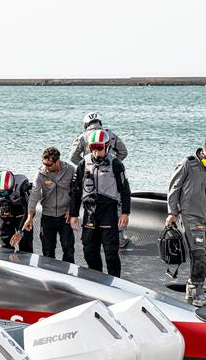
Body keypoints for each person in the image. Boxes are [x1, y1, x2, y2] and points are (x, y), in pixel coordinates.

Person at [166, 135, 206, 306]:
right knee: (199, 256)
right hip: (191, 218)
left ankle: (192, 287)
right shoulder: (188, 163)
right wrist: (172, 212)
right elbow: (174, 188)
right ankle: (197, 294)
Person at [69, 130, 131, 277]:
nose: (96, 151)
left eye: (99, 147)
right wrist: (73, 214)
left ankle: (115, 282)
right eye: (92, 147)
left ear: (107, 146)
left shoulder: (116, 163)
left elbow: (125, 190)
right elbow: (76, 191)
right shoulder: (83, 163)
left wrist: (125, 213)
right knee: (89, 251)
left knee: (111, 253)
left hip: (108, 212)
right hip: (90, 213)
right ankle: (97, 279)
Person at [68, 112, 130, 247]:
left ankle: (93, 239)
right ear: (99, 122)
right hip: (110, 178)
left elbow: (72, 156)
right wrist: (113, 165)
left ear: (86, 124)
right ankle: (119, 240)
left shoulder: (82, 136)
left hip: (90, 180)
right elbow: (124, 152)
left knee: (90, 208)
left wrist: (85, 166)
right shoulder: (110, 134)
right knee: (116, 207)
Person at [24, 147, 76, 263]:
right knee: (47, 251)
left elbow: (77, 192)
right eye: (44, 164)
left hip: (65, 217)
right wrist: (29, 217)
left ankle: (69, 278)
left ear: (57, 161)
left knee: (68, 249)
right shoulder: (41, 173)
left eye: (49, 165)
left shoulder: (71, 170)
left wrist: (71, 210)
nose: (46, 168)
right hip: (48, 216)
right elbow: (34, 195)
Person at [0, 170, 33, 252]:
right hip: (5, 210)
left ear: (13, 186)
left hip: (22, 211)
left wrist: (20, 231)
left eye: (6, 192)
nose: (4, 195)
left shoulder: (23, 185)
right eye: (1, 193)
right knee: (4, 244)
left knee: (25, 243)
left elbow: (30, 209)